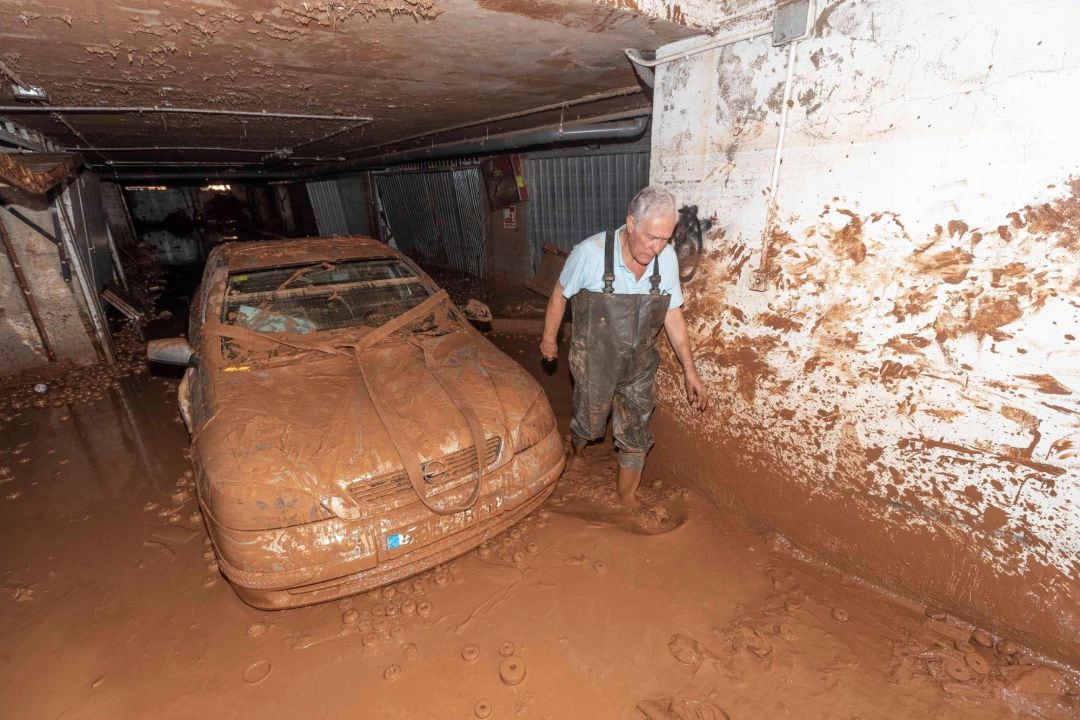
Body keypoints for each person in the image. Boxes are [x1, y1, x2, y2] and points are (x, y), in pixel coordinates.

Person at [539, 185, 708, 508]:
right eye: (650, 237)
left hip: (639, 362)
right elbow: (560, 294)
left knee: (636, 428)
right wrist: (549, 339)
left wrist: (691, 371)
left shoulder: (666, 259)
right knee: (590, 421)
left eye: (664, 239)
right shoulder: (590, 254)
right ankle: (578, 447)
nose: (657, 247)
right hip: (595, 360)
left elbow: (672, 313)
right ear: (631, 223)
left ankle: (626, 497)